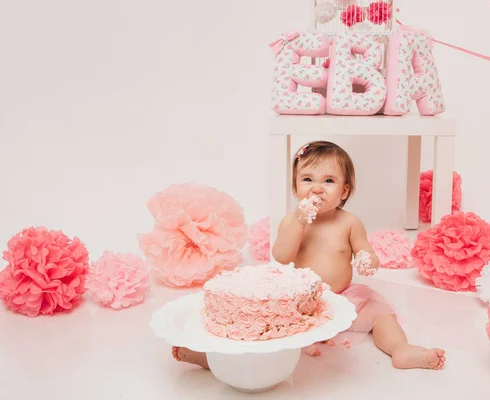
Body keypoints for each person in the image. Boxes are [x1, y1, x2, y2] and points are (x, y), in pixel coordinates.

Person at [172, 141, 445, 371]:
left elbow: (365, 250)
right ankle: (215, 359)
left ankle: (401, 349)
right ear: (295, 188)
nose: (317, 188)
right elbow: (280, 256)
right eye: (307, 179)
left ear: (344, 191)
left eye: (328, 181)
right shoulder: (292, 221)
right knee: (264, 328)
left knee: (381, 313)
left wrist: (367, 259)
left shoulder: (349, 223)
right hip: (298, 302)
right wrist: (300, 223)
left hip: (343, 296)